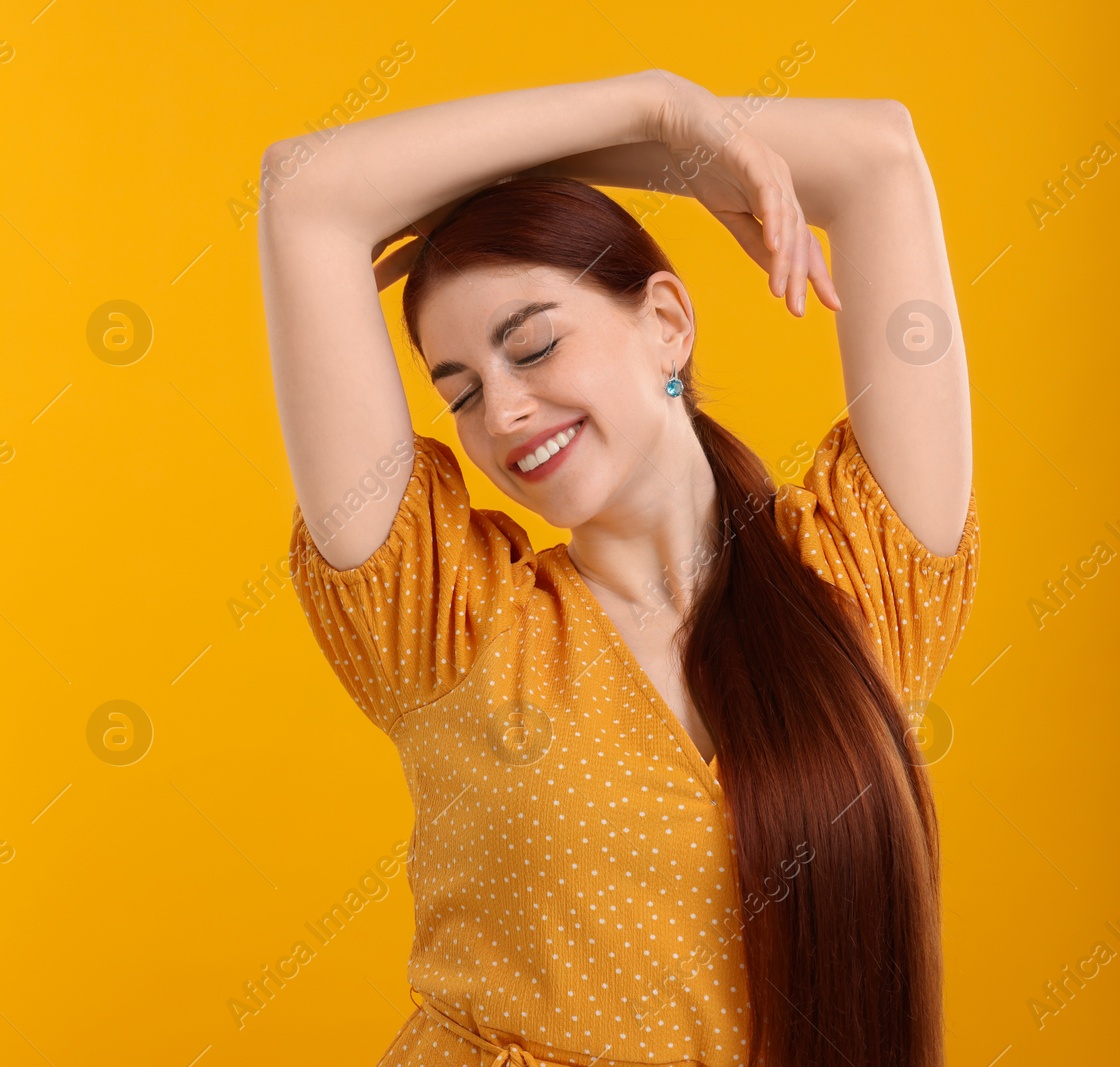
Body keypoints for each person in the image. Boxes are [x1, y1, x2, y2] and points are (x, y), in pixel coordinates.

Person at [258, 68, 980, 1067]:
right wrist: (650, 113)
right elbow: (306, 193)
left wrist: (689, 143)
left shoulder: (859, 587)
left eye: (533, 345)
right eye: (459, 390)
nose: (500, 415)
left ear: (667, 324)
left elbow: (877, 160)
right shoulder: (451, 619)